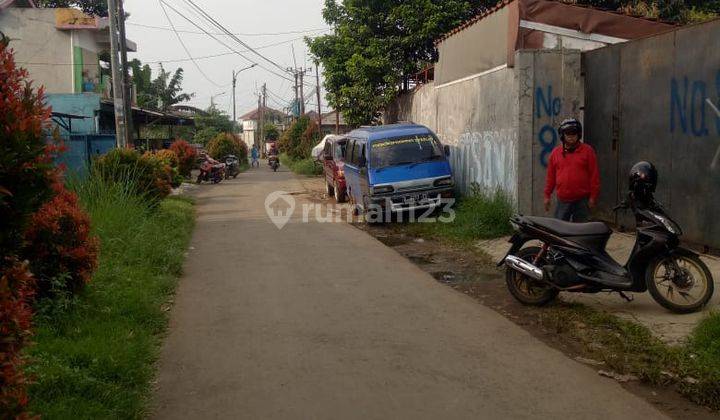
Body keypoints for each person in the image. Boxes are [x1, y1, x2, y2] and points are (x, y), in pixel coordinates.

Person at [544, 118, 600, 222]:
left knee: (581, 230)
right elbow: (550, 177)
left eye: (574, 134)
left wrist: (593, 197)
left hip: (582, 200)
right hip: (563, 200)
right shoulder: (555, 153)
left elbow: (594, 176)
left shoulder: (588, 151)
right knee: (559, 229)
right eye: (568, 134)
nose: (571, 137)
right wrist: (547, 195)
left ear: (578, 134)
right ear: (562, 135)